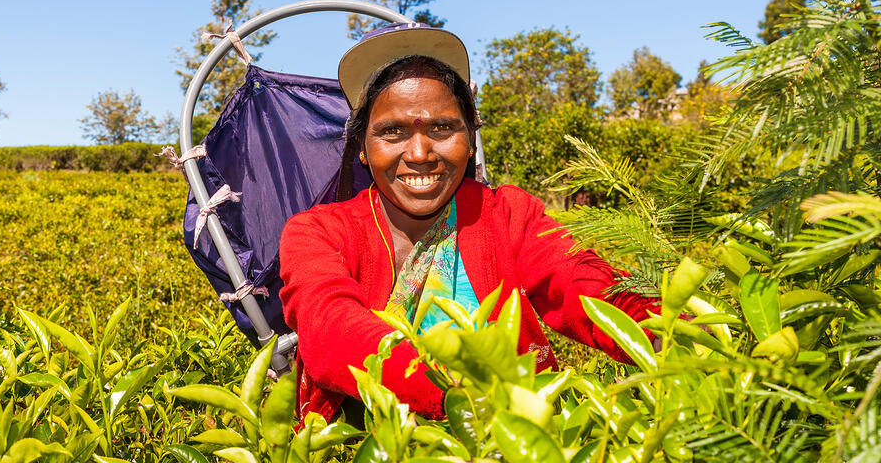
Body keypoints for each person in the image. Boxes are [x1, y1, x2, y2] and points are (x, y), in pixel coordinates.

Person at [278, 22, 657, 422]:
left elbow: (588, 287)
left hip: (518, 436)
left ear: (470, 137)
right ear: (363, 150)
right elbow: (332, 331)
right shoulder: (317, 232)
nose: (420, 153)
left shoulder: (508, 215)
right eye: (392, 132)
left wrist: (684, 335)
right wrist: (461, 399)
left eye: (442, 128)